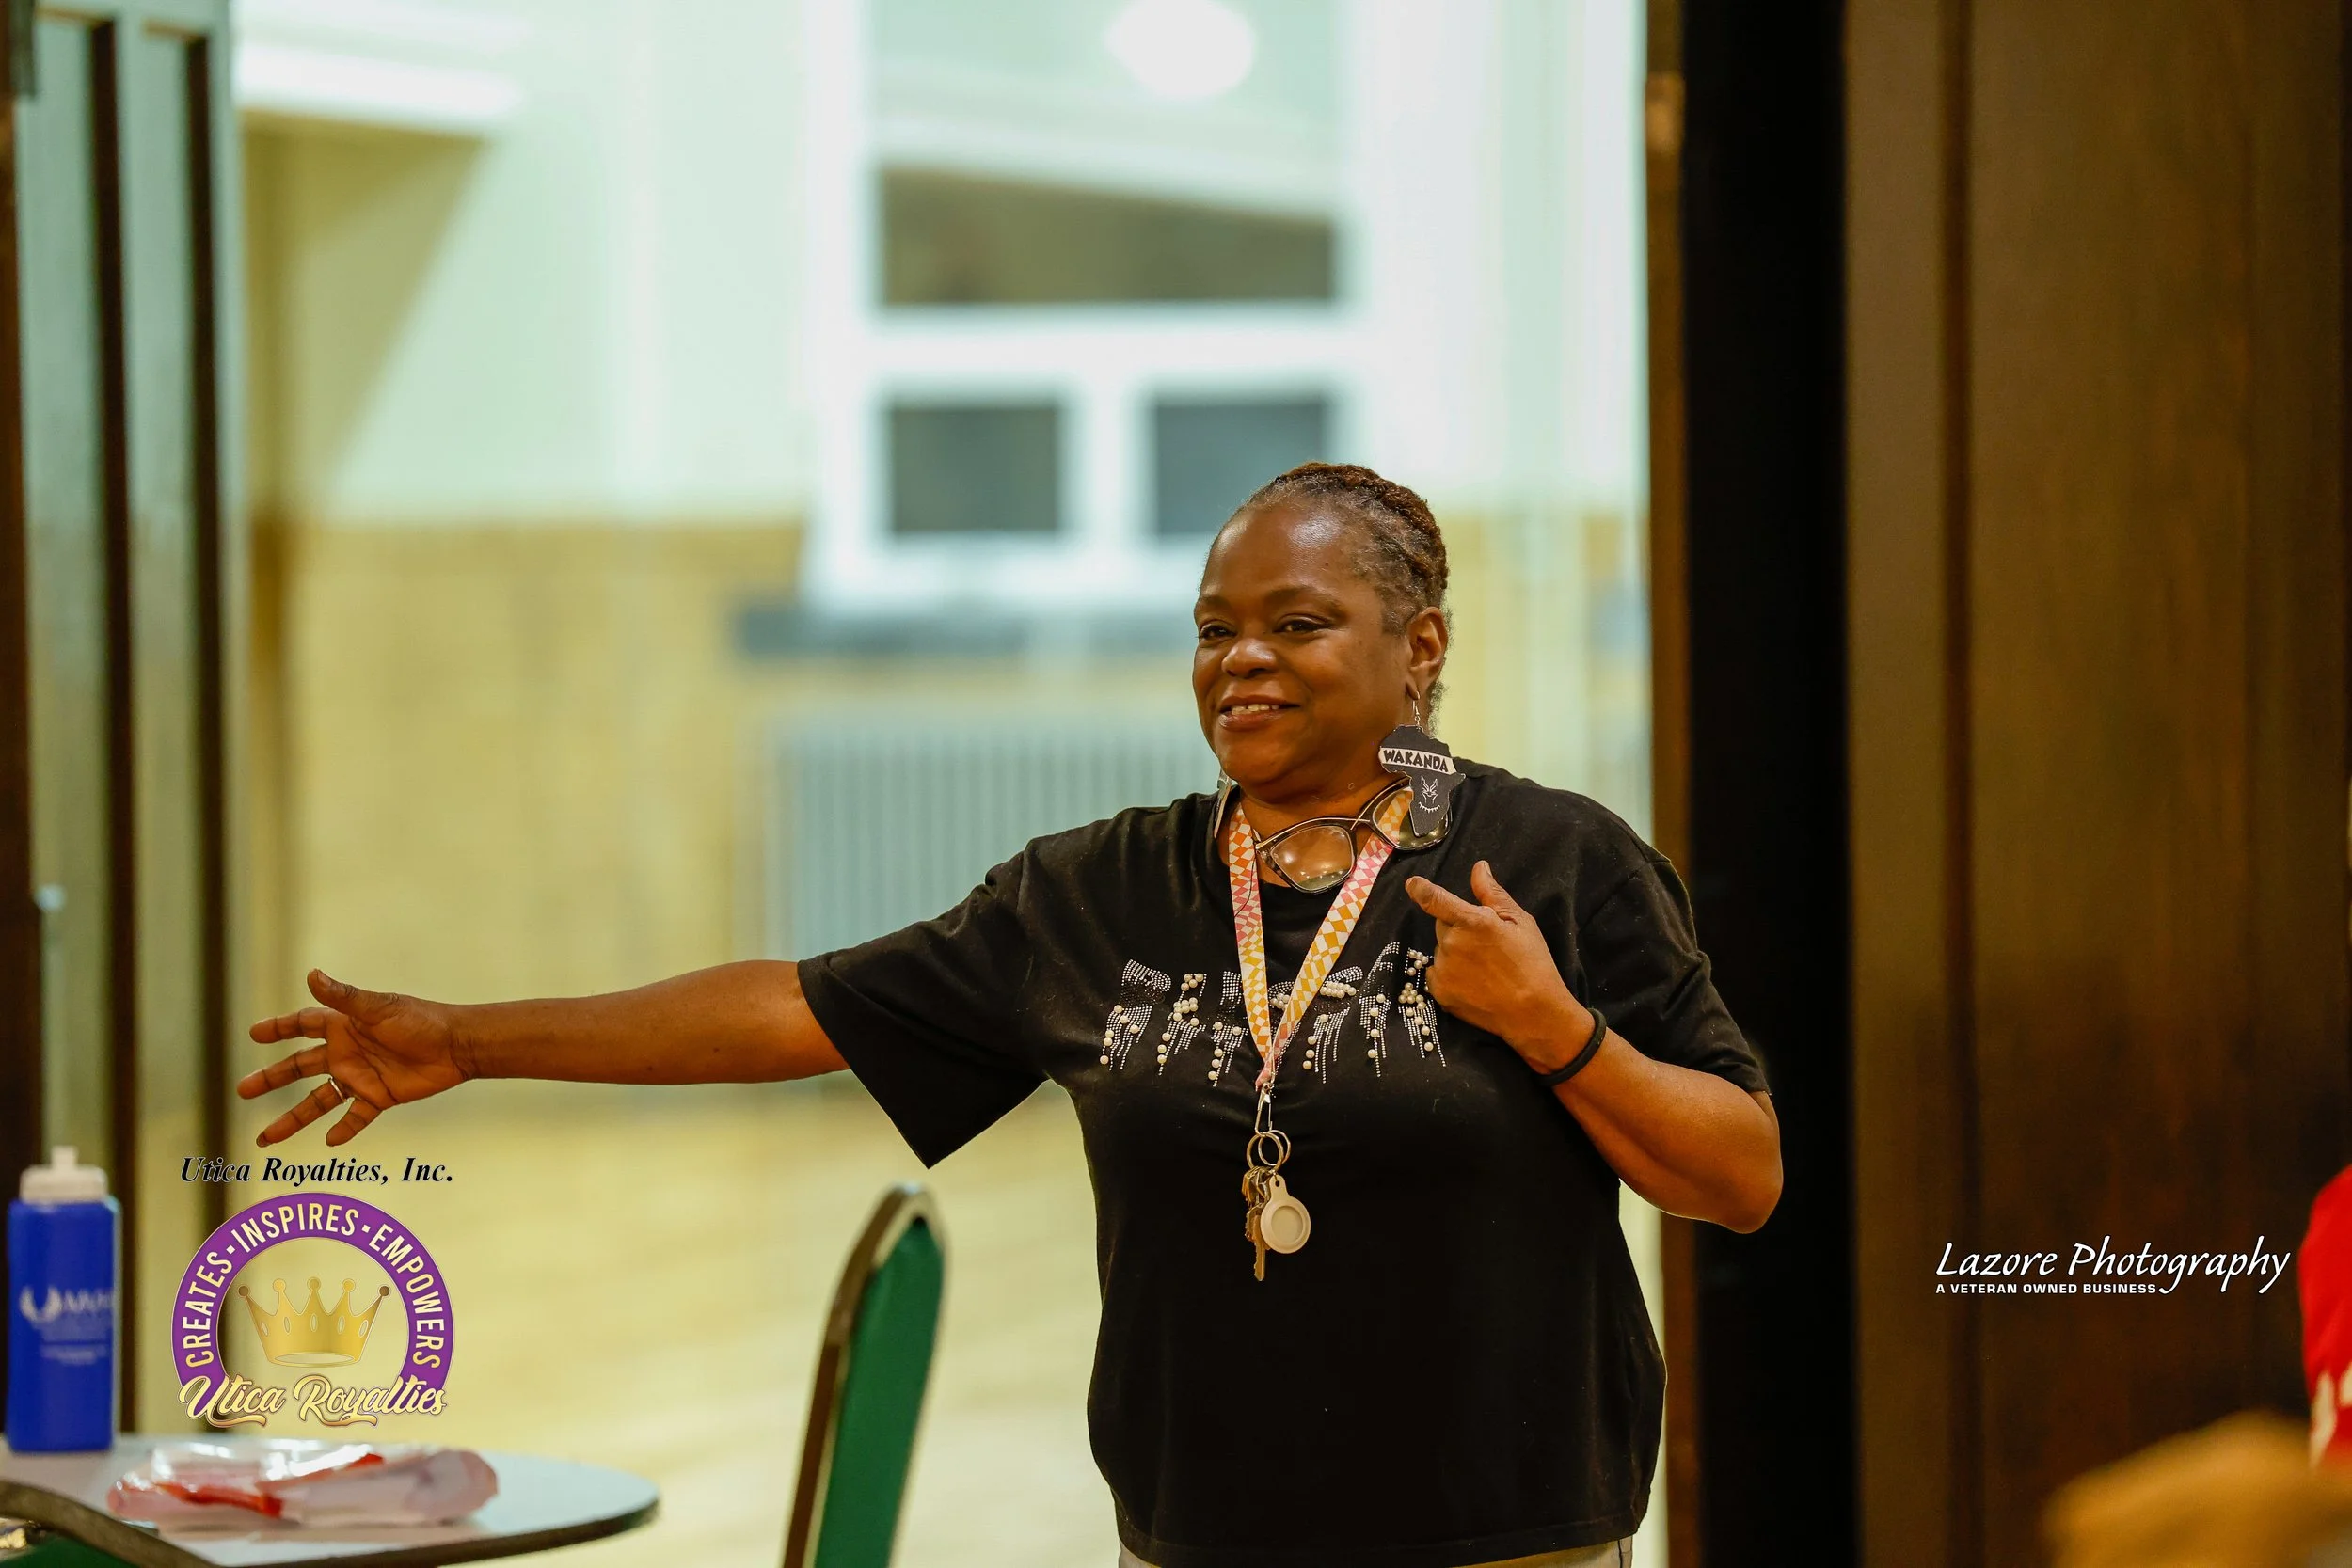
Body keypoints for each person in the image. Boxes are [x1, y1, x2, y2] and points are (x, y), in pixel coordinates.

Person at [242, 463, 1782, 1568]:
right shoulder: (1106, 888)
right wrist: (474, 1038)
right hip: (1198, 1536)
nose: (1241, 657)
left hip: (1505, 1537)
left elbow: (1741, 1174)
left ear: (1419, 647)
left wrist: (1557, 1026)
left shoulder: (1555, 862)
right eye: (1212, 625)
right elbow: (799, 1009)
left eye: (1296, 623)